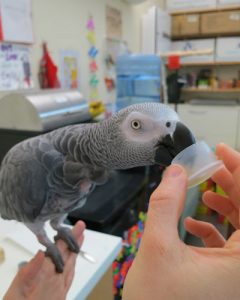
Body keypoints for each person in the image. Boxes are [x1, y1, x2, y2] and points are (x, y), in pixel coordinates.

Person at [3, 143, 240, 299]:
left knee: (63, 217)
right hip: (32, 217)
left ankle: (57, 227)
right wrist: (47, 242)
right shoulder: (30, 167)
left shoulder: (84, 175)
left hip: (60, 211)